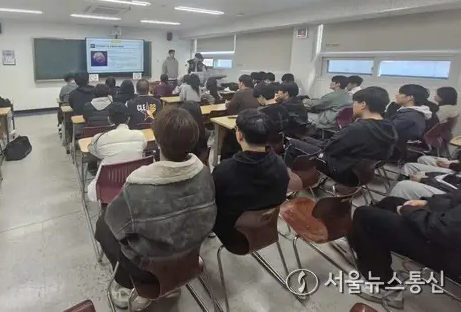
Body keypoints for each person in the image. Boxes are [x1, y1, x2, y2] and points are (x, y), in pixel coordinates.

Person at [94, 107, 216, 310]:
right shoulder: (205, 174)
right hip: (191, 258)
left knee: (102, 224)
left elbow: (115, 224)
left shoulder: (138, 186)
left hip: (148, 270)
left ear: (157, 142)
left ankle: (126, 282)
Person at [342, 192, 461, 309]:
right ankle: (361, 250)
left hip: (450, 253)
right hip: (447, 226)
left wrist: (409, 212)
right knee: (390, 203)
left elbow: (441, 229)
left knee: (365, 217)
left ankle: (384, 286)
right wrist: (428, 203)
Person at [285, 87, 398, 186]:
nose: (353, 106)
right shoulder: (389, 127)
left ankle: (290, 182)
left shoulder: (357, 129)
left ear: (363, 105)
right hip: (364, 173)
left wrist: (308, 140)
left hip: (344, 171)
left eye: (354, 103)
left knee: (293, 143)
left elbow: (329, 149)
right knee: (306, 139)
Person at [212, 109, 289, 247]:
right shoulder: (280, 165)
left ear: (239, 135)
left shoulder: (224, 170)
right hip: (267, 230)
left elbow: (212, 201)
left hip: (234, 236)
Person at [86, 103, 147, 202]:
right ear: (128, 119)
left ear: (109, 120)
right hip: (135, 184)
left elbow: (94, 152)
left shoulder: (100, 138)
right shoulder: (140, 135)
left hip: (108, 188)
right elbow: (143, 147)